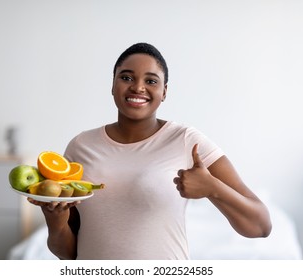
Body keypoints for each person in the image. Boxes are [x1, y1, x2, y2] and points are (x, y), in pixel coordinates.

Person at [28, 42, 272, 260]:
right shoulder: (81, 146)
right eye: (126, 78)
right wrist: (55, 221)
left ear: (164, 91)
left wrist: (213, 188)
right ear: (112, 86)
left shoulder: (186, 140)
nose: (138, 87)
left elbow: (261, 226)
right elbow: (69, 254)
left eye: (151, 81)